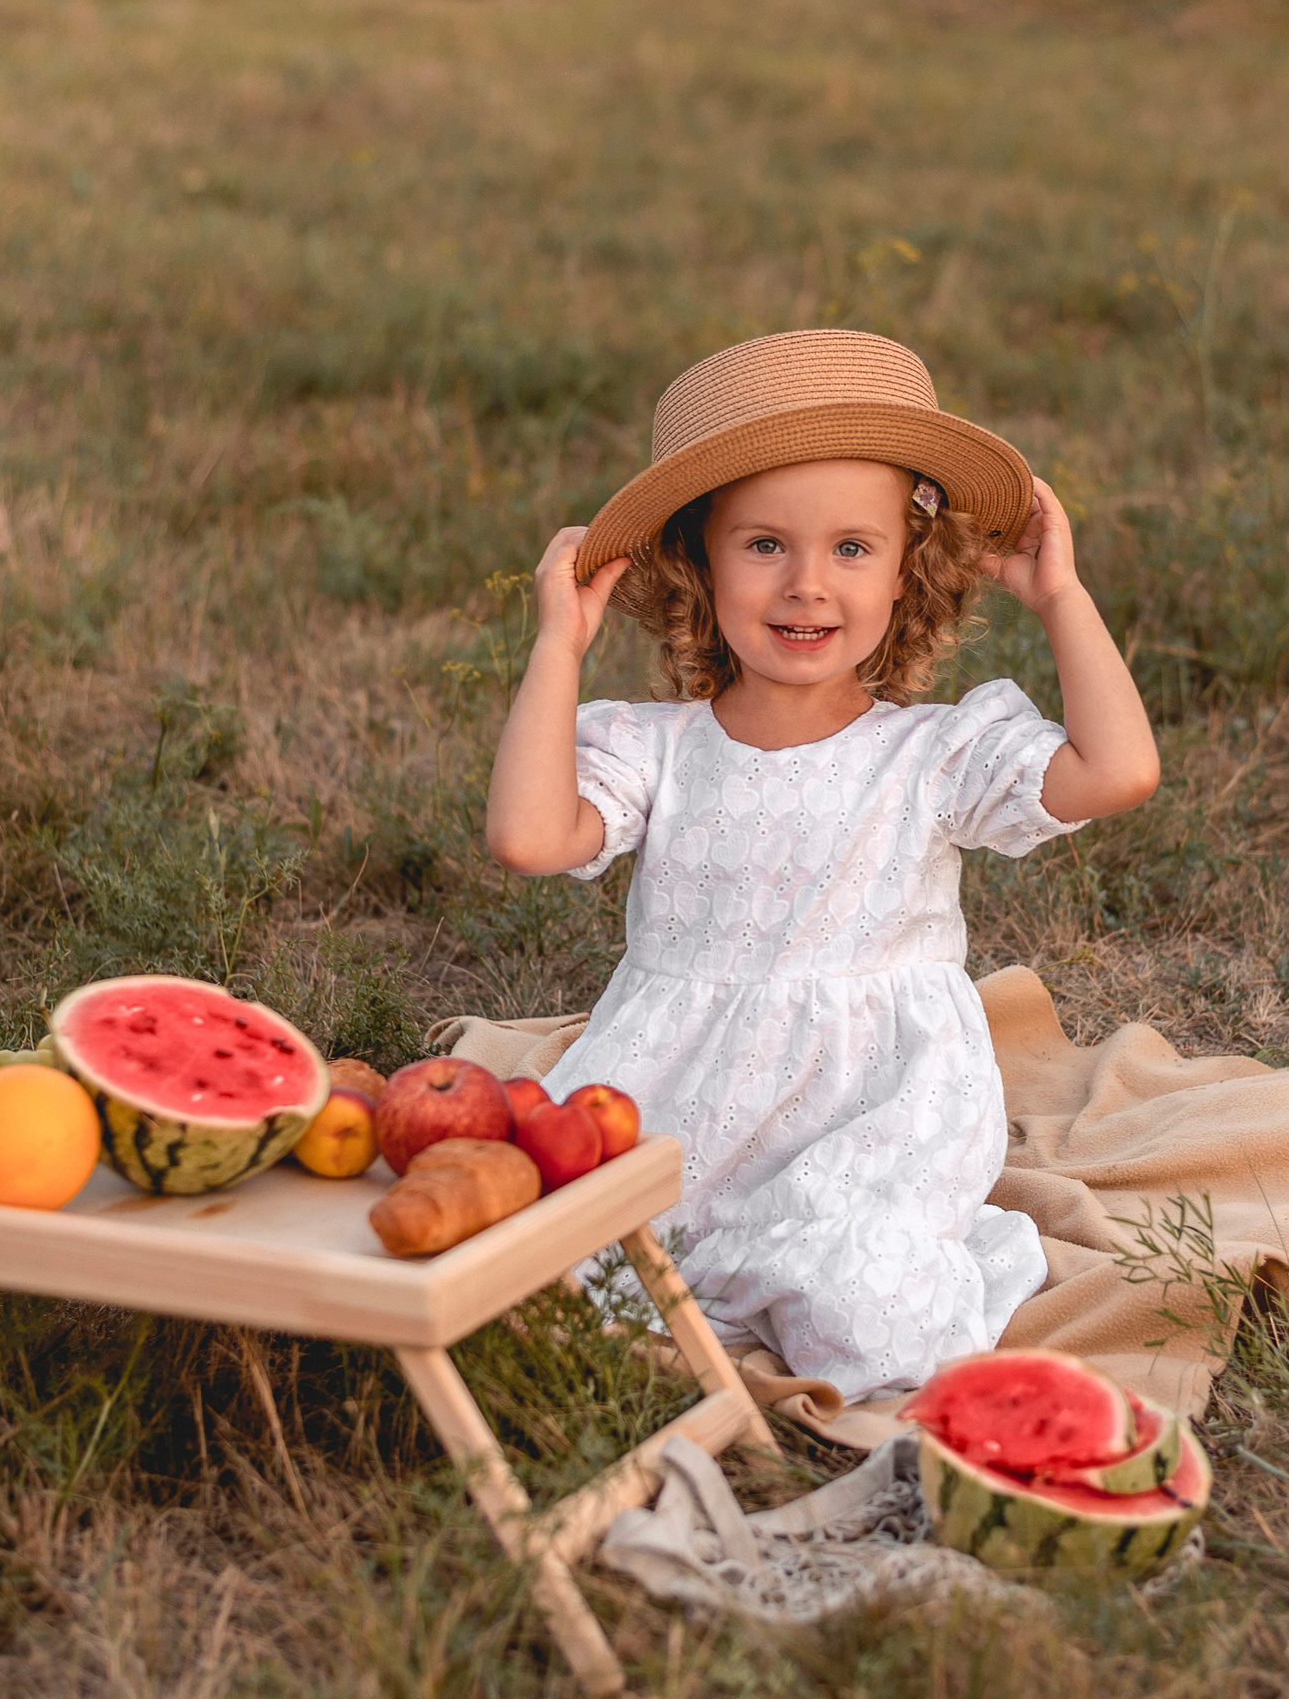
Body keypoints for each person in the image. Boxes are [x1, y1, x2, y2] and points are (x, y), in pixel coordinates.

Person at [484, 330, 1160, 1402]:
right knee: (533, 1262)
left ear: (907, 569)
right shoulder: (659, 747)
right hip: (681, 1086)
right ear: (699, 562)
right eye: (763, 545)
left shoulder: (930, 754)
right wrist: (556, 646)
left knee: (857, 1295)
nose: (807, 585)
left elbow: (1115, 770)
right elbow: (527, 837)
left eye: (853, 547)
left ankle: (839, 1276)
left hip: (872, 1099)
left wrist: (1060, 599)